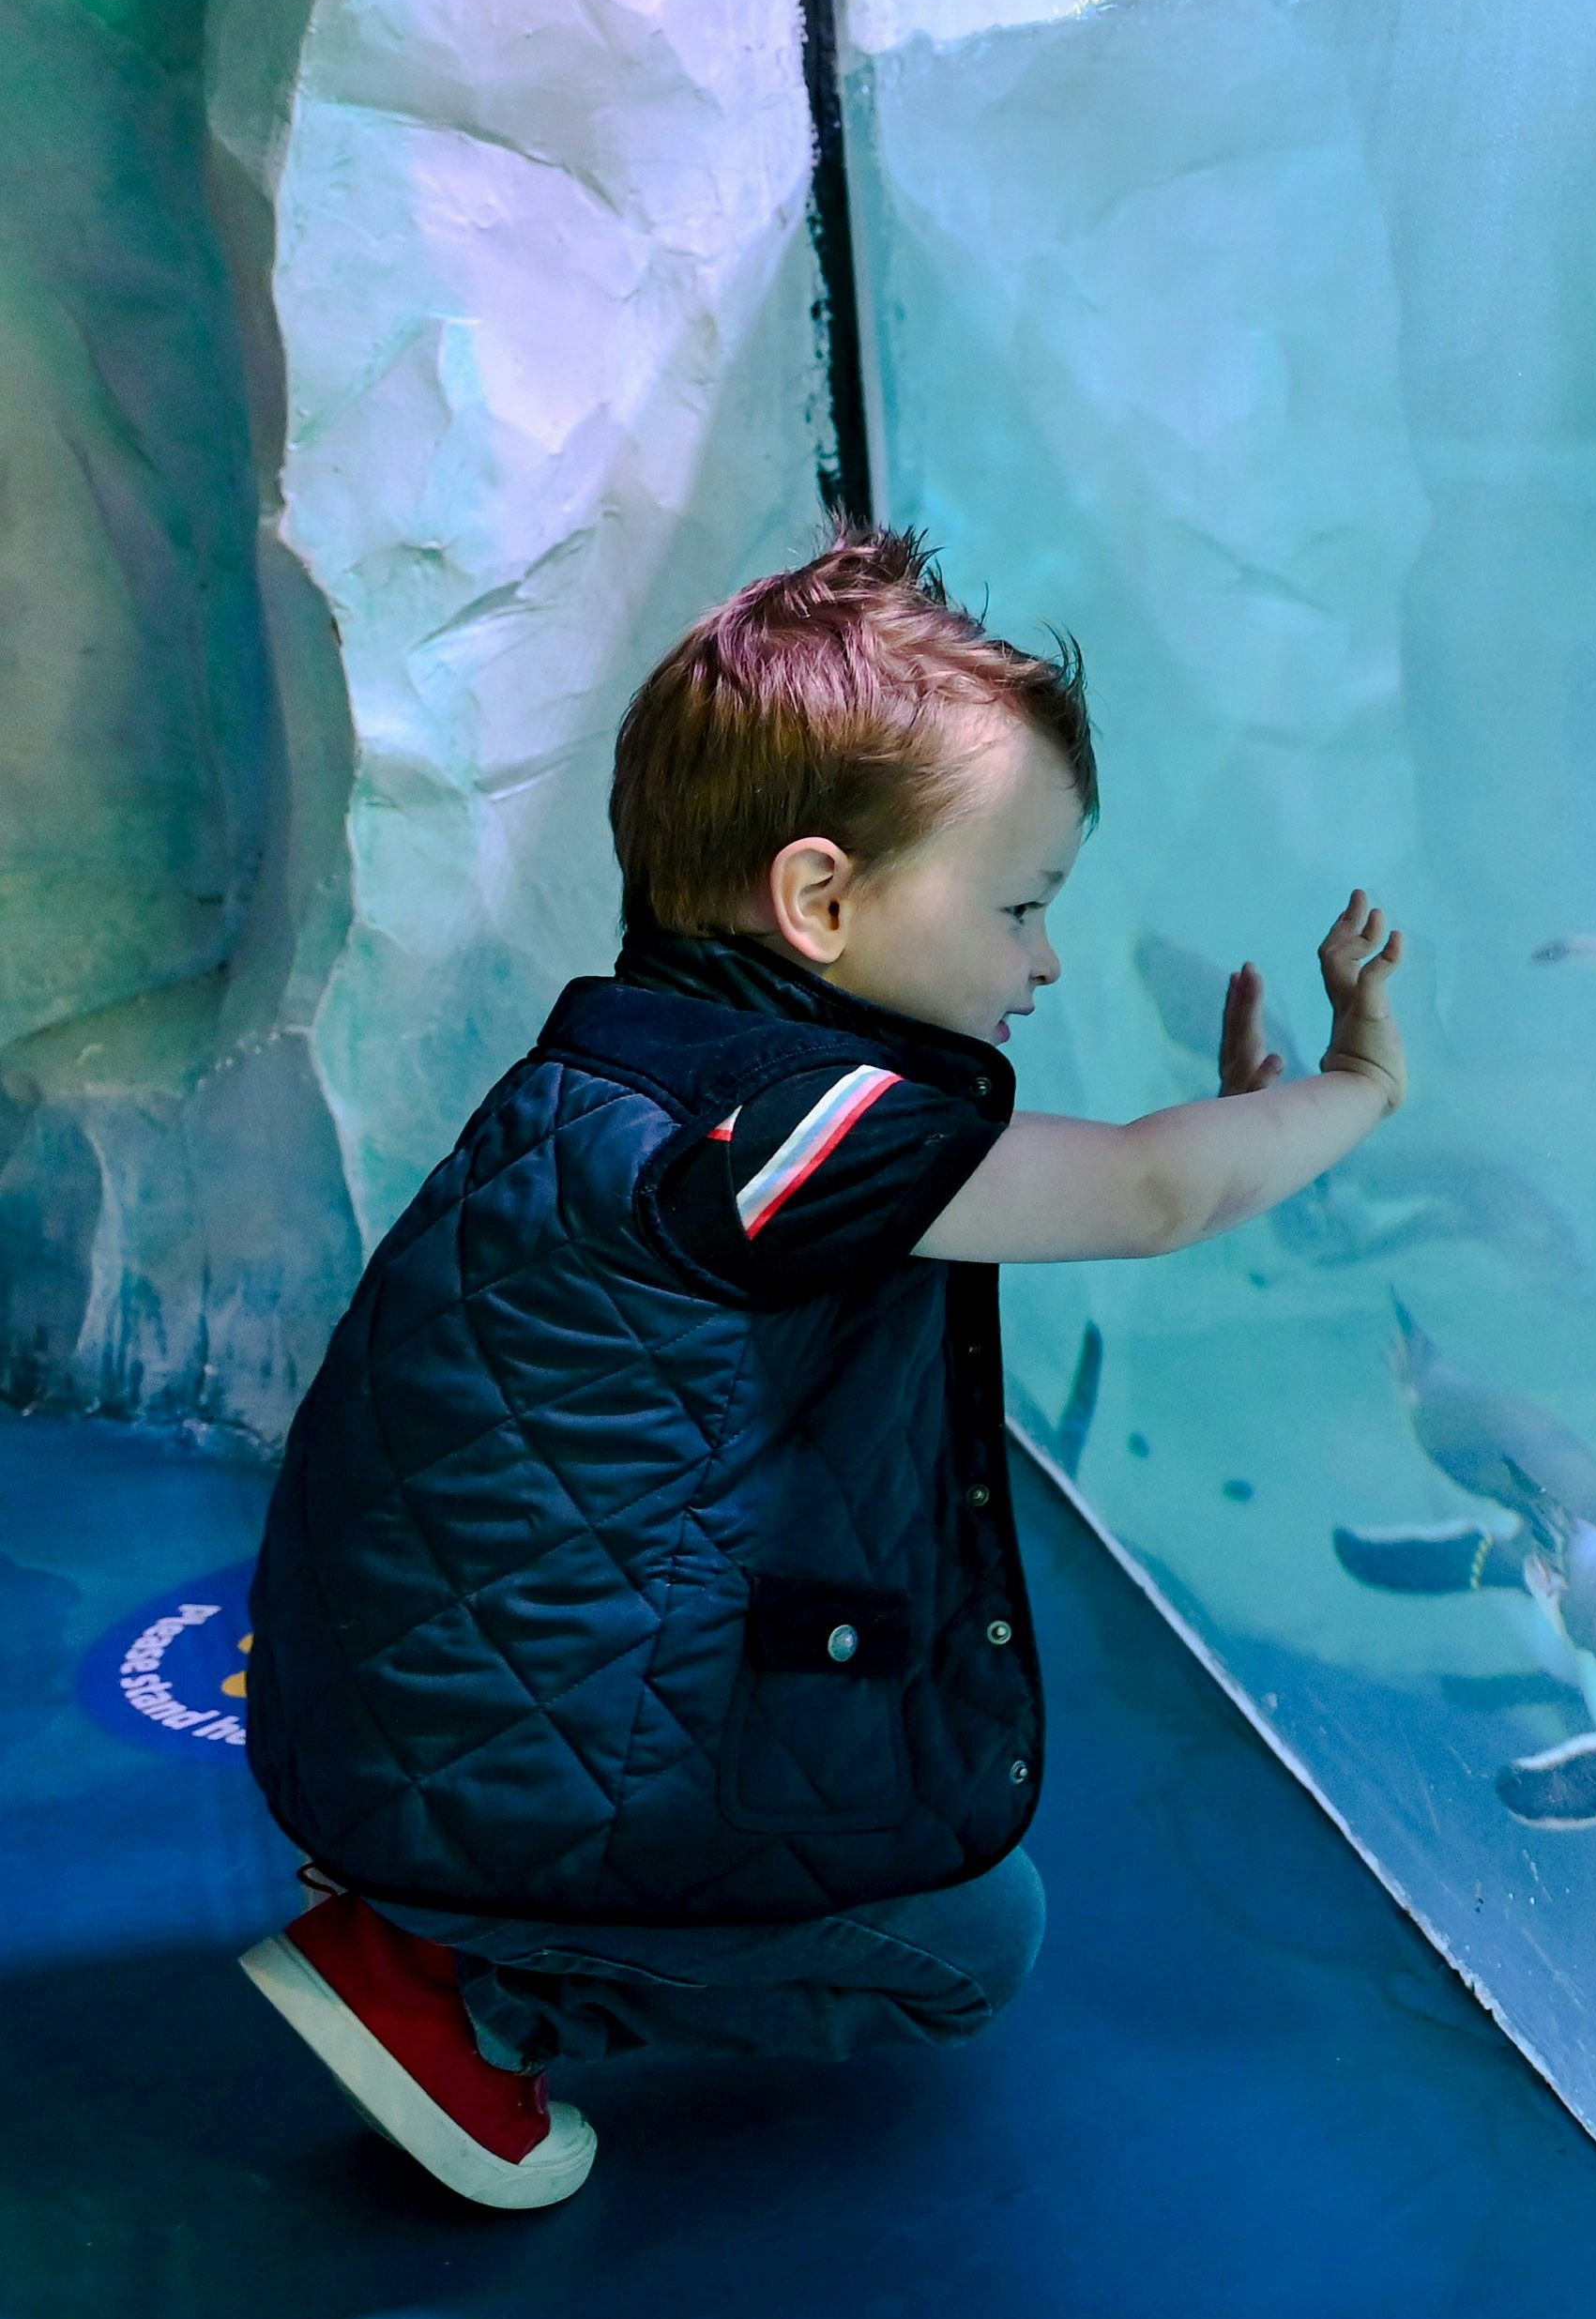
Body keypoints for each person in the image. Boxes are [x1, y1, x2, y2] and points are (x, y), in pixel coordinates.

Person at [232, 530, 1406, 2209]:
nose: (1047, 960)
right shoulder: (788, 1127)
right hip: (483, 1768)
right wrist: (1354, 1086)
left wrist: (1234, 1133)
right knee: (975, 1945)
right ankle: (452, 1986)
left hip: (403, 1715)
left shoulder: (631, 1064)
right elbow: (1146, 1193)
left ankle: (443, 1904)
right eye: (1020, 907)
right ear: (822, 902)